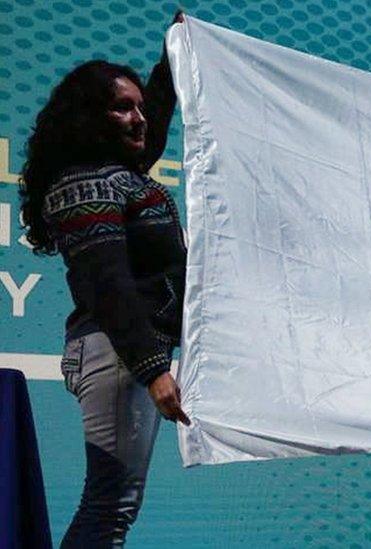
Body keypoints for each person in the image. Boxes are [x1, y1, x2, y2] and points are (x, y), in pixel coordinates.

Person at [18, 13, 188, 547]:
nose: (139, 119)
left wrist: (173, 56)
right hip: (118, 354)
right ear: (91, 118)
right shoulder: (84, 183)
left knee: (115, 504)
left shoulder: (119, 172)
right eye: (123, 107)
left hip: (124, 354)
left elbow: (154, 123)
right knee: (110, 505)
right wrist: (152, 368)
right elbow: (107, 283)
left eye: (140, 106)